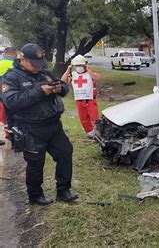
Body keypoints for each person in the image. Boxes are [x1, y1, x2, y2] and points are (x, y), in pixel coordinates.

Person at [2, 43, 78, 205]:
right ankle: (35, 196)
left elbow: (63, 87)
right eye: (33, 64)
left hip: (53, 124)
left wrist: (59, 88)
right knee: (36, 162)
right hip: (30, 127)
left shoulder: (44, 72)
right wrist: (39, 91)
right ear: (22, 59)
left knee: (65, 153)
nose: (38, 67)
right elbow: (12, 102)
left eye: (40, 63)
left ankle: (63, 190)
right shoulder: (10, 78)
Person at [61, 55, 101, 138]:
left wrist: (88, 69)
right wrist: (68, 70)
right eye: (77, 65)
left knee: (95, 118)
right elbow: (63, 81)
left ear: (85, 65)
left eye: (81, 65)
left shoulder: (90, 73)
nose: (79, 67)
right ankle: (90, 133)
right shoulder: (73, 74)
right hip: (79, 101)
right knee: (84, 119)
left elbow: (97, 78)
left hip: (90, 100)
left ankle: (99, 133)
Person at [0, 47, 18, 135]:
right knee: (13, 116)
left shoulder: (0, 63)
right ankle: (14, 136)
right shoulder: (16, 65)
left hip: (1, 94)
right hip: (14, 95)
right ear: (15, 54)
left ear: (5, 53)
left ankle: (6, 132)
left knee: (3, 114)